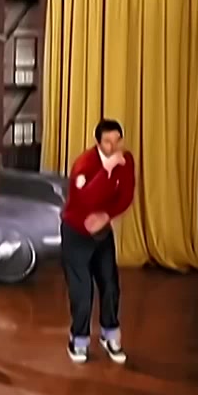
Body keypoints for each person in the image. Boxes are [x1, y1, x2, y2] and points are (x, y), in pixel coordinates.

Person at [60, 118, 136, 364]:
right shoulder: (84, 164)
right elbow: (87, 200)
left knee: (110, 285)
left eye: (117, 141)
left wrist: (106, 215)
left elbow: (125, 196)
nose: (113, 147)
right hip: (76, 232)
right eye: (107, 142)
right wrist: (107, 170)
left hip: (101, 231)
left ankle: (110, 335)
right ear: (98, 142)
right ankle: (78, 340)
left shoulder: (126, 161)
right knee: (82, 290)